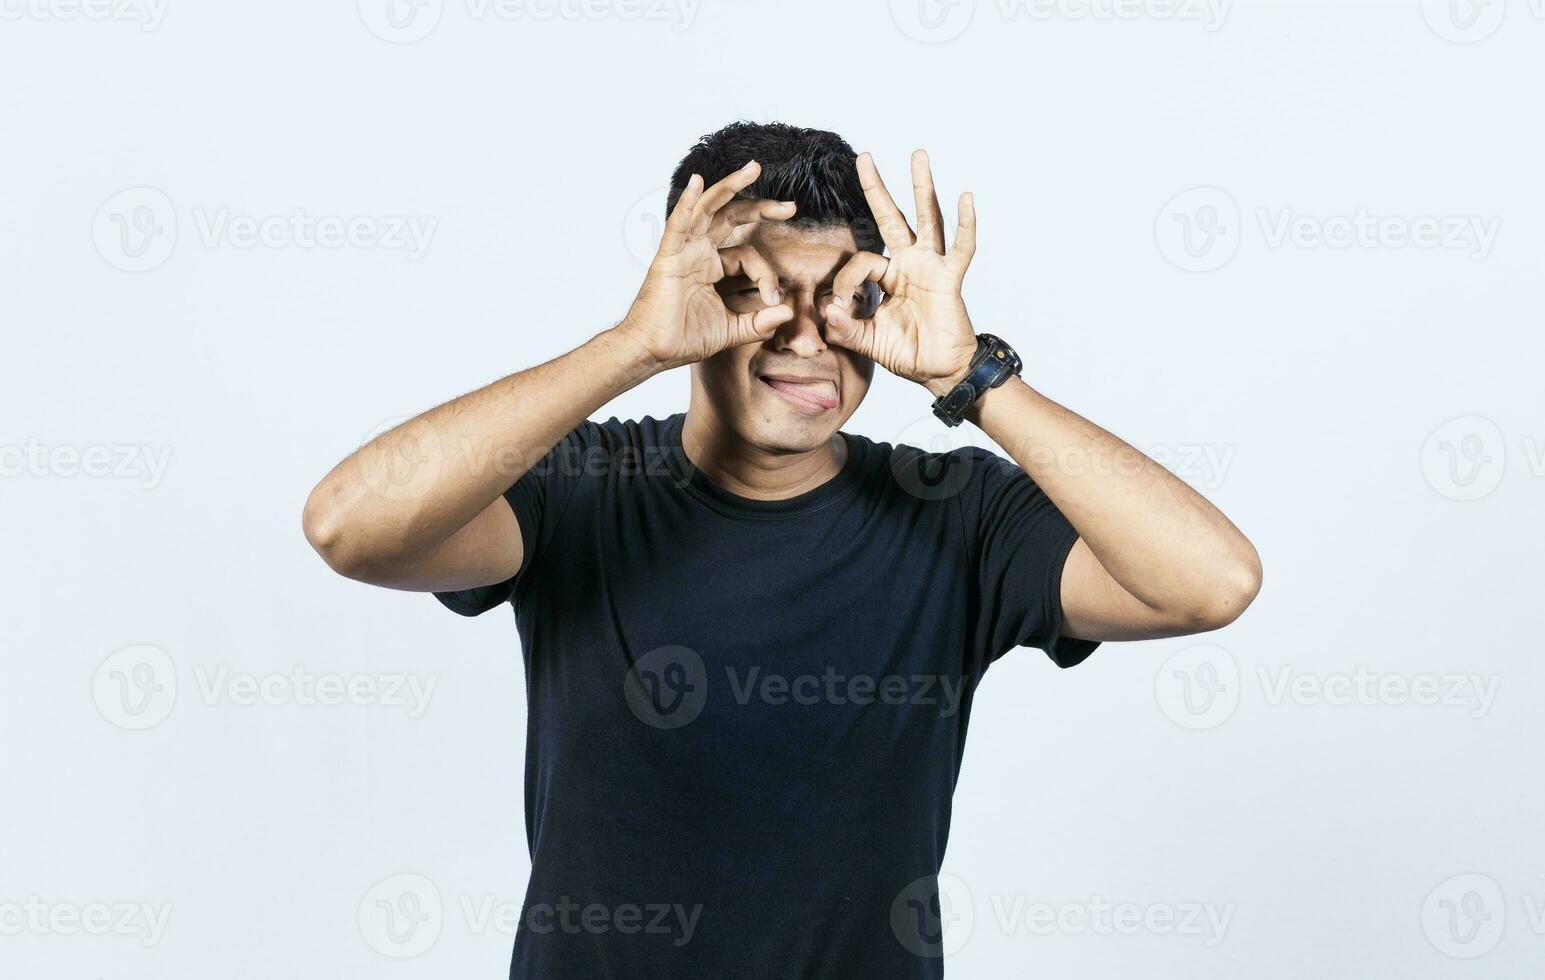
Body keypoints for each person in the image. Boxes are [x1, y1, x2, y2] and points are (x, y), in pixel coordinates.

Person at [301, 121, 1262, 979]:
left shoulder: (954, 513)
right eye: (757, 293)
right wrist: (632, 345)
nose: (804, 337)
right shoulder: (581, 489)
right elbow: (348, 525)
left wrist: (972, 377)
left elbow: (1210, 584)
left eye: (844, 299)